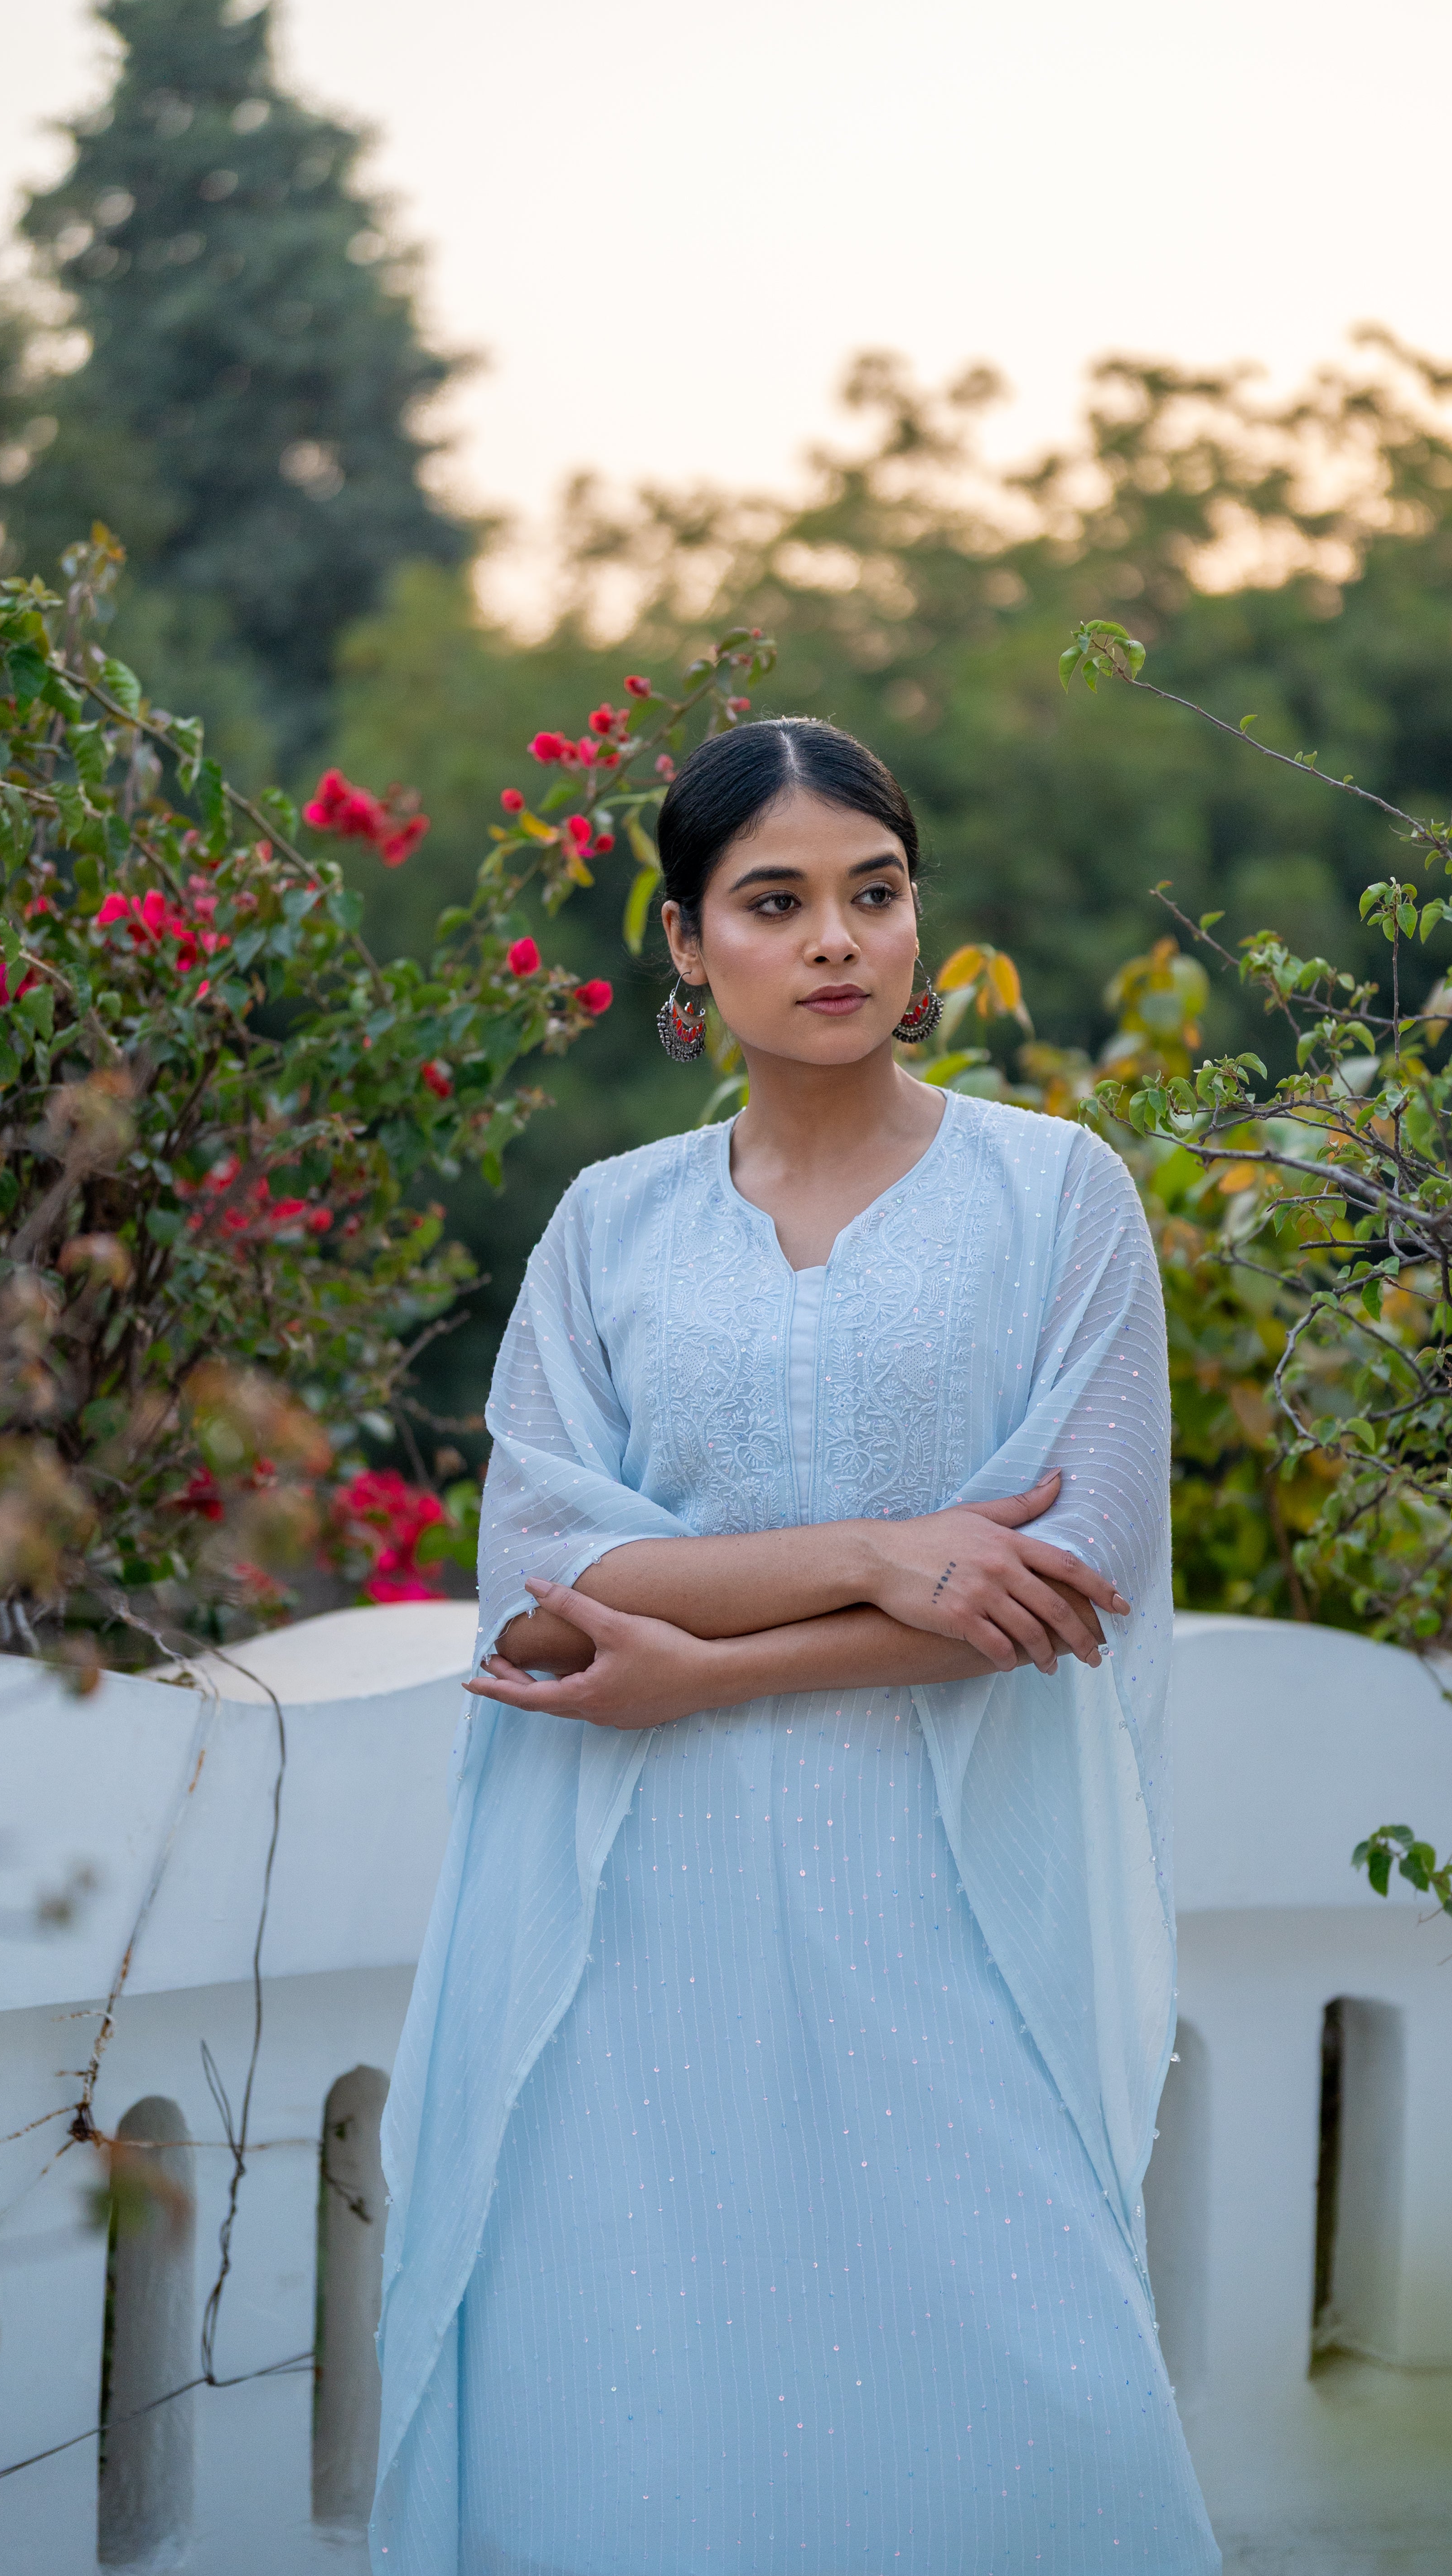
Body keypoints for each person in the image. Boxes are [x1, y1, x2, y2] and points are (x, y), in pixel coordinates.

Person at [371, 718, 1219, 2574]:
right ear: (685, 944)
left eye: (875, 892)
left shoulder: (1055, 1198)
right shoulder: (614, 1230)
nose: (837, 939)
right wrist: (881, 1554)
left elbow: (1062, 1578)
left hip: (949, 1886)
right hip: (636, 1910)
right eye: (774, 901)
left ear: (918, 921)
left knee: (1022, 2380)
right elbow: (542, 1571)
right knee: (653, 2396)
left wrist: (705, 1655)